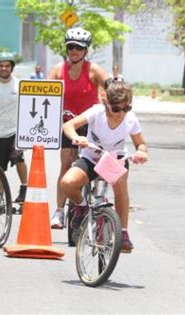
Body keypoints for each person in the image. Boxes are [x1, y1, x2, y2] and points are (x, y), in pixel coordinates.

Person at [61, 80, 148, 252]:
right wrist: (77, 137)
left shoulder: (130, 119)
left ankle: (123, 232)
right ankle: (81, 206)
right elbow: (68, 125)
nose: (121, 113)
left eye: (126, 108)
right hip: (92, 158)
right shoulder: (97, 112)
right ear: (106, 103)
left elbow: (141, 144)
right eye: (116, 109)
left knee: (121, 185)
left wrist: (142, 153)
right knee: (67, 183)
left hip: (114, 159)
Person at [47, 27, 109, 229]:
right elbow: (44, 98)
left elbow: (115, 91)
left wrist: (117, 104)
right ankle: (59, 211)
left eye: (79, 47)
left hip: (91, 125)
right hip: (68, 125)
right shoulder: (57, 71)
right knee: (65, 165)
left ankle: (100, 196)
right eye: (71, 46)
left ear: (86, 50)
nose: (74, 50)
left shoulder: (94, 70)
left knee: (98, 165)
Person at [0, 52, 28, 203]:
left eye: (7, 66)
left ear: (12, 68)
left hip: (16, 130)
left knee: (19, 157)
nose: (4, 68)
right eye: (1, 66)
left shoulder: (20, 85)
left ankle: (24, 188)